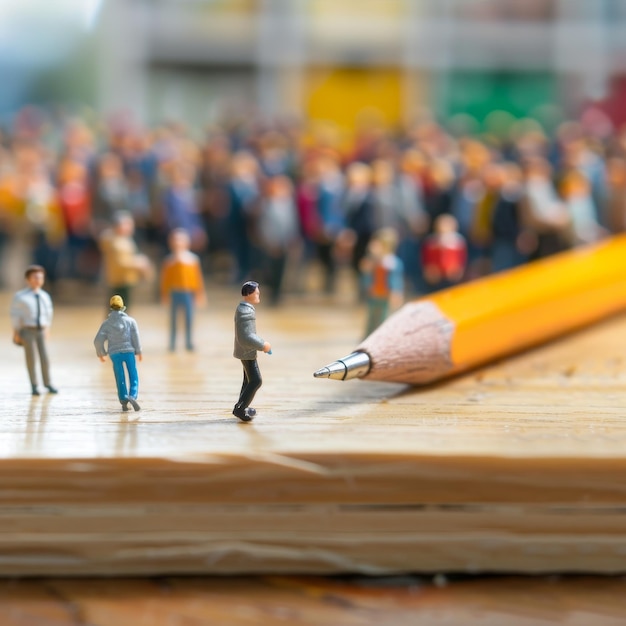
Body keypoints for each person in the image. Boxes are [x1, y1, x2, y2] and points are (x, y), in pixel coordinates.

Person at [10, 265, 58, 396]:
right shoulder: (20, 296)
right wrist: (16, 331)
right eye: (35, 277)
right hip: (27, 330)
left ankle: (48, 383)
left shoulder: (44, 296)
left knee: (45, 358)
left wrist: (47, 328)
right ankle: (34, 385)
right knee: (31, 358)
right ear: (28, 279)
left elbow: (49, 313)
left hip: (41, 329)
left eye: (40, 277)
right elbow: (15, 315)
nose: (38, 280)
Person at [94, 295, 142, 412]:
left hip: (114, 353)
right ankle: (133, 395)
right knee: (133, 374)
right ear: (123, 307)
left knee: (119, 376)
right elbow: (136, 337)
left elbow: (97, 340)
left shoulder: (106, 324)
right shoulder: (131, 321)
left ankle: (123, 400)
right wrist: (139, 351)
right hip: (129, 351)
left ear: (110, 307)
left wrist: (102, 353)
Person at [160, 228, 206, 351]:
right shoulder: (169, 261)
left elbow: (198, 278)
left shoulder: (192, 259)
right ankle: (172, 343)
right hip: (174, 292)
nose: (178, 243)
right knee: (174, 319)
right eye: (175, 240)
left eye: (181, 240)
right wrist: (164, 294)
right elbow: (165, 280)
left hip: (188, 293)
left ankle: (189, 342)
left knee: (189, 318)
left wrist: (199, 294)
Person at [233, 281, 271, 422]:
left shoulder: (245, 309)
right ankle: (240, 408)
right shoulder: (245, 312)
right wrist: (263, 345)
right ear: (249, 294)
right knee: (256, 381)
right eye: (256, 293)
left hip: (245, 351)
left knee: (248, 381)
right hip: (247, 351)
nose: (258, 294)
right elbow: (246, 336)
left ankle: (241, 407)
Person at [360, 228, 404, 337]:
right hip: (374, 295)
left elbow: (395, 281)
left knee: (384, 319)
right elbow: (367, 279)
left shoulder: (391, 263)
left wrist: (395, 293)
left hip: (385, 296)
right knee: (371, 320)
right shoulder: (373, 261)